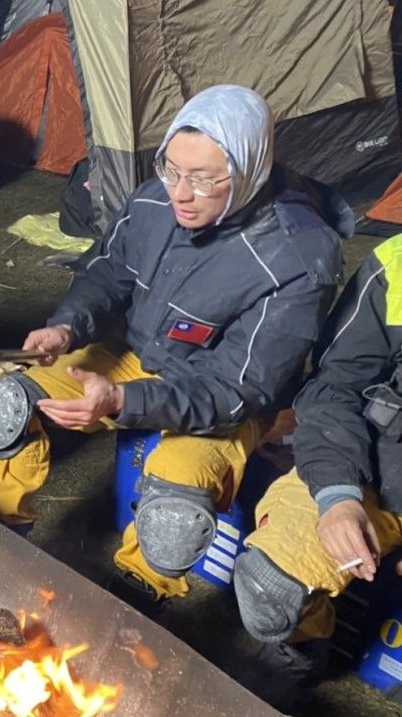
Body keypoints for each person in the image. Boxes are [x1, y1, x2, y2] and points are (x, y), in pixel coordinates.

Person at [0, 85, 352, 609]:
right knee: (8, 407)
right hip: (134, 353)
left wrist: (123, 402)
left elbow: (236, 391)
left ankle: (139, 593)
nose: (180, 193)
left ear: (252, 170)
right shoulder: (155, 198)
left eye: (204, 179)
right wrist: (67, 328)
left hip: (222, 396)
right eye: (172, 169)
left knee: (175, 517)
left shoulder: (298, 258)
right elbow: (107, 271)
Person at [231, 234, 402, 708]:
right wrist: (338, 495)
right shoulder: (396, 265)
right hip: (373, 466)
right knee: (272, 583)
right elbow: (333, 386)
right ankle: (301, 650)